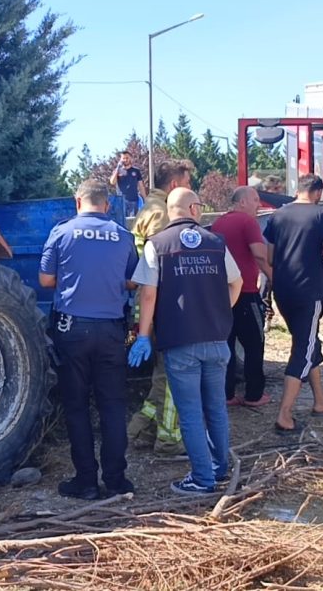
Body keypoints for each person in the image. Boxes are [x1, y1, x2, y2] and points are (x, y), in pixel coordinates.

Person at [128, 188, 243, 494]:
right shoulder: (216, 243)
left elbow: (148, 292)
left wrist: (143, 335)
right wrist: (218, 312)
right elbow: (237, 282)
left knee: (190, 412)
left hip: (180, 342)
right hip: (217, 339)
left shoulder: (157, 244)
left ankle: (202, 479)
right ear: (192, 208)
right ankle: (219, 470)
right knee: (216, 407)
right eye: (200, 206)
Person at [39, 180, 138, 500]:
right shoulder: (123, 236)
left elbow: (46, 279)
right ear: (106, 205)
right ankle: (116, 479)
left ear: (77, 202)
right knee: (112, 405)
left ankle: (86, 482)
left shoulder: (62, 232)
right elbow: (132, 281)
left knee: (77, 406)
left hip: (72, 330)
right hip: (111, 330)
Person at [126, 159, 195, 456]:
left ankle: (139, 429)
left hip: (151, 306)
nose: (191, 191)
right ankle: (168, 439)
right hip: (161, 306)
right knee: (171, 376)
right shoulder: (161, 214)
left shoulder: (148, 208)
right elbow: (164, 267)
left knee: (162, 374)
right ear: (176, 185)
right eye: (188, 184)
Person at [264, 174, 323, 432]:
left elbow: (270, 256)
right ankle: (284, 414)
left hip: (283, 291)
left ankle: (321, 400)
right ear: (317, 192)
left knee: (307, 342)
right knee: (302, 351)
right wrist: (320, 263)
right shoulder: (321, 216)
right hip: (309, 290)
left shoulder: (277, 216)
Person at [212, 186, 273, 405]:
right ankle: (254, 394)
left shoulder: (219, 222)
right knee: (255, 344)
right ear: (243, 202)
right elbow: (259, 254)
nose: (259, 205)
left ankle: (226, 394)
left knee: (226, 345)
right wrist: (273, 276)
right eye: (255, 200)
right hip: (246, 292)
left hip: (222, 294)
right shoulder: (248, 222)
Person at [109, 151, 146, 218]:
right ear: (121, 159)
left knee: (133, 221)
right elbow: (112, 182)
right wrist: (118, 168)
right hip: (121, 201)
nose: (125, 160)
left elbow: (141, 186)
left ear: (130, 159)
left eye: (127, 158)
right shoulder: (117, 171)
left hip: (133, 200)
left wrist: (145, 199)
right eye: (123, 158)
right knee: (122, 220)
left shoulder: (136, 171)